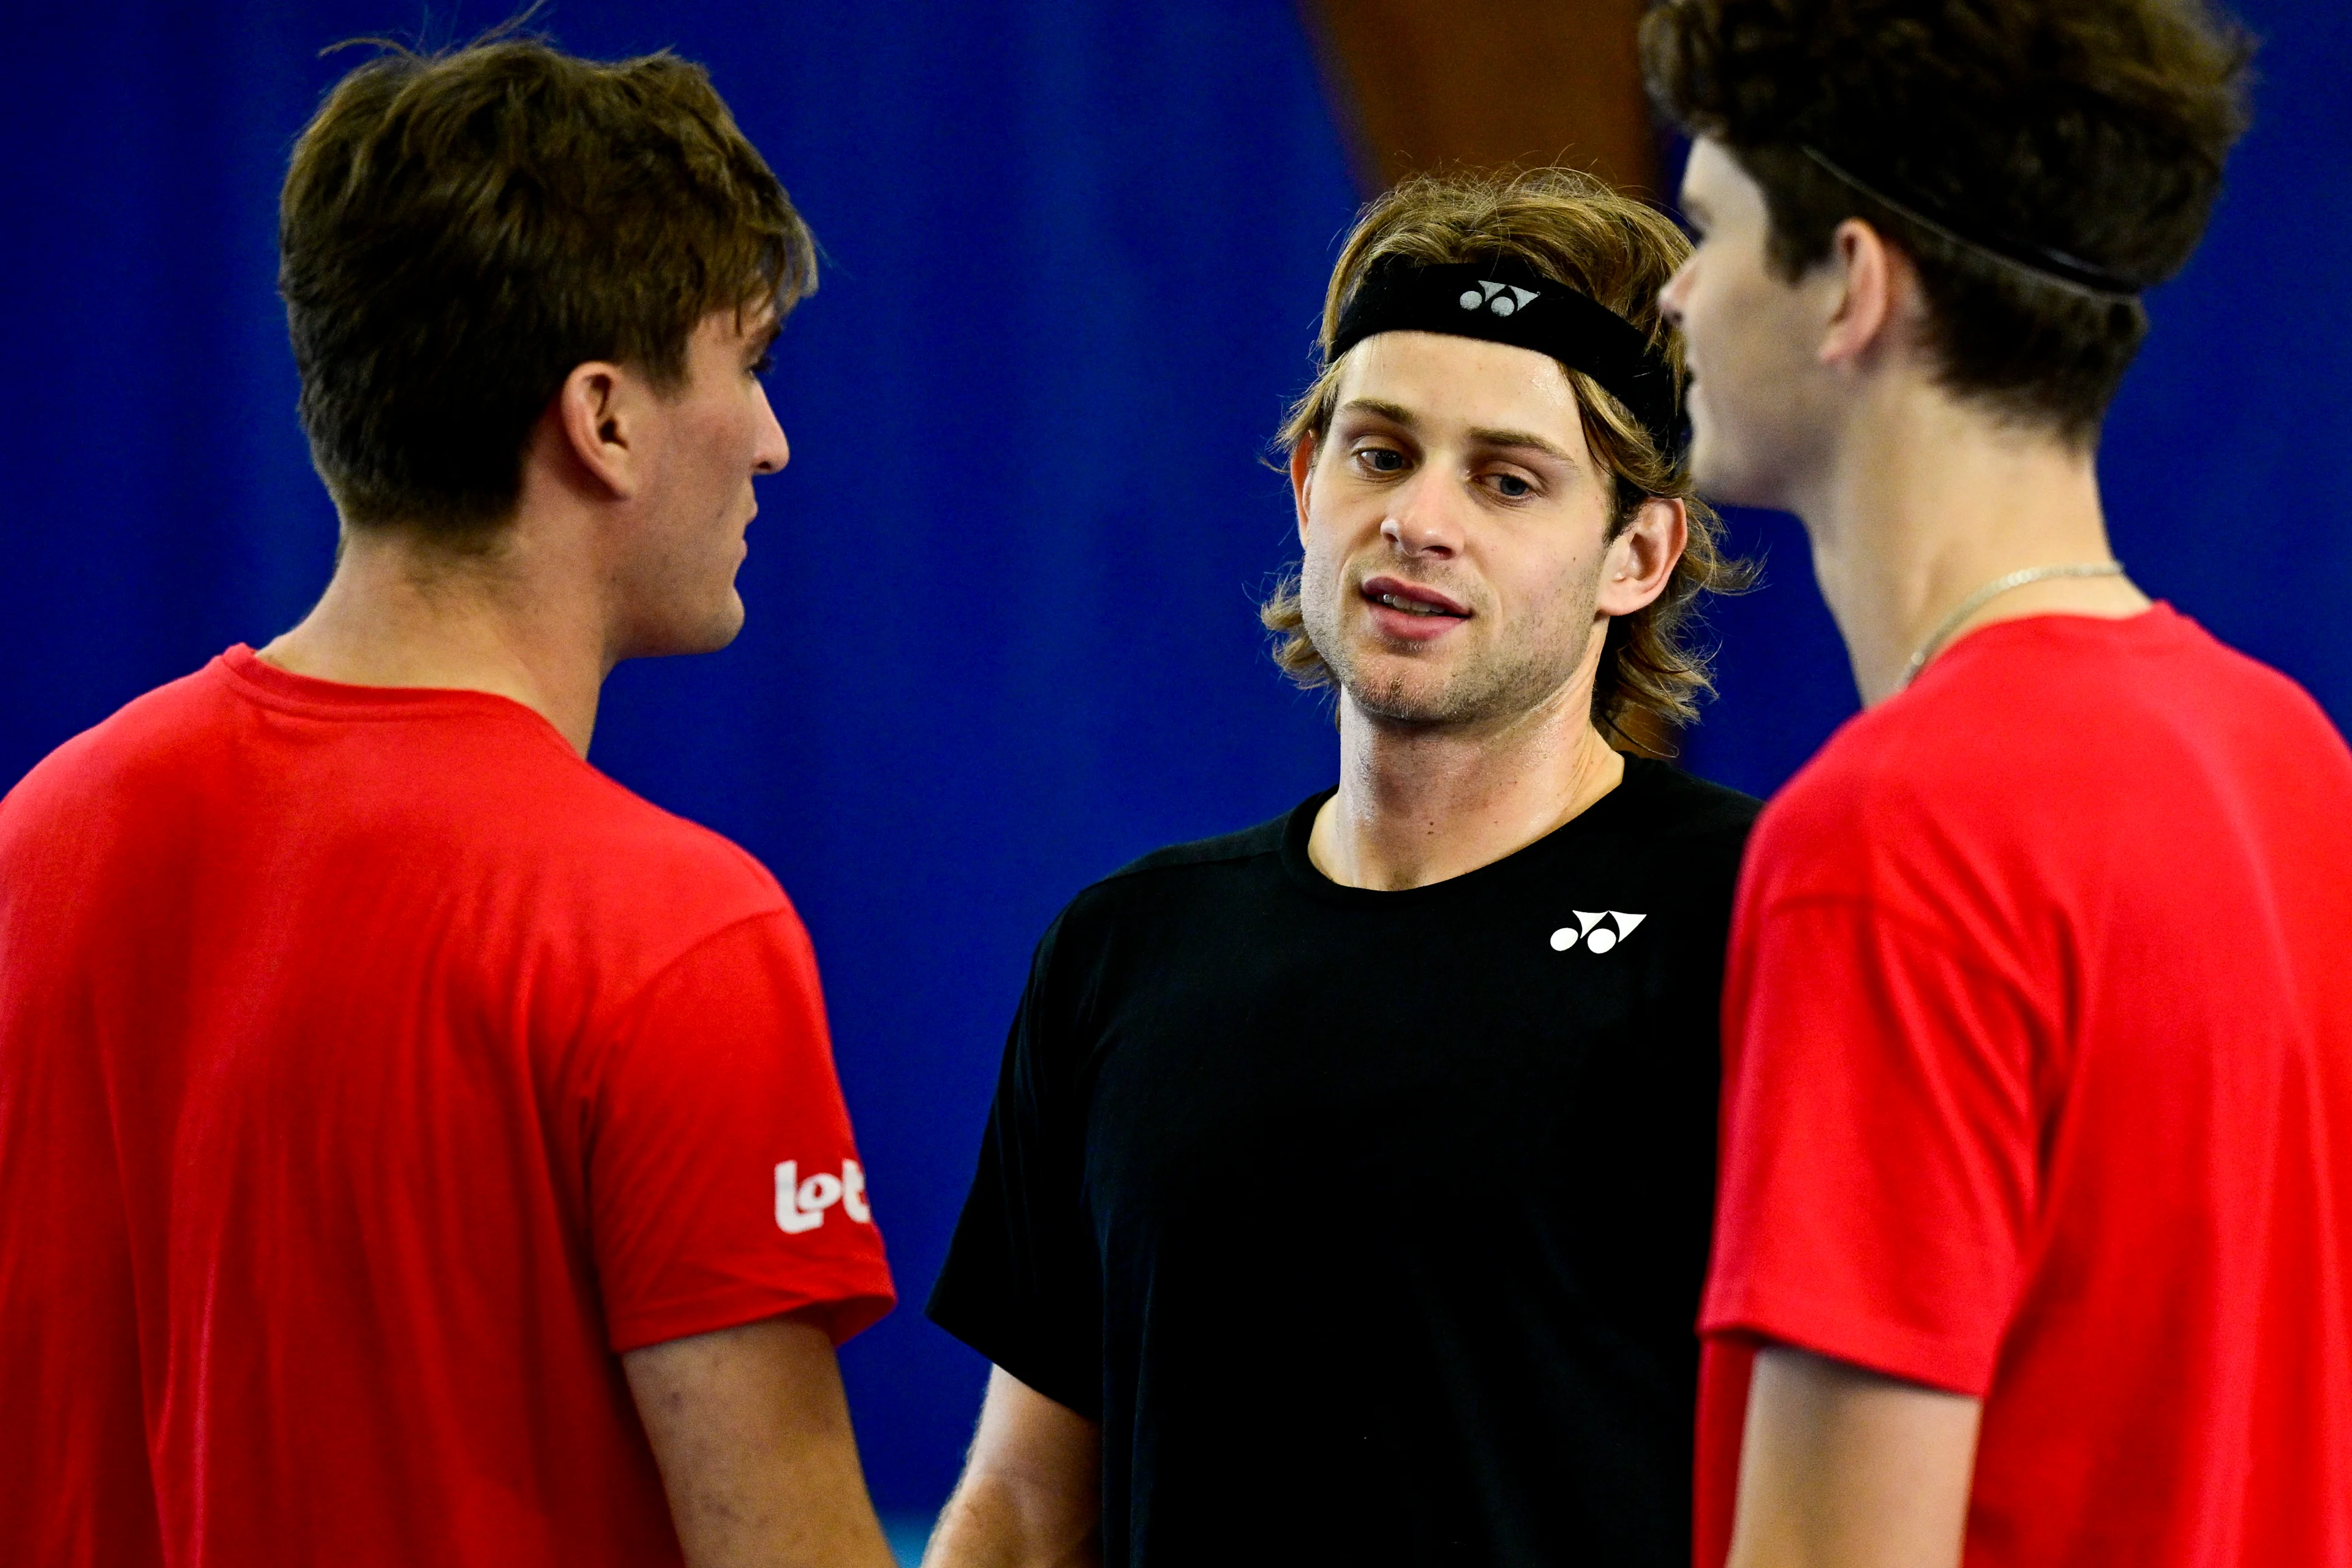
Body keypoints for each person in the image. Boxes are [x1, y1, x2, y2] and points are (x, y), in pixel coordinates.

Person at [0, 39, 900, 1568]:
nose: (771, 437)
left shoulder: (38, 840)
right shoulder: (676, 936)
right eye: (746, 361)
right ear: (604, 419)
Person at [921, 170, 1758, 1567]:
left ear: (1636, 553)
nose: (1419, 519)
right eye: (1380, 453)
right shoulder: (1126, 949)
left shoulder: (1752, 920)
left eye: (1507, 479)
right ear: (1309, 483)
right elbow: (1018, 1508)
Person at [1643, 2, 2352, 1564]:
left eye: (1706, 231)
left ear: (1853, 290)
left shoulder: (1888, 838)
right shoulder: (2295, 759)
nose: (1677, 297)